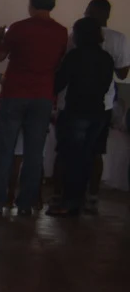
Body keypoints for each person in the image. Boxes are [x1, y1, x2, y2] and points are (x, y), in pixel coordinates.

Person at [0, 0, 59, 216]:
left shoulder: (19, 28)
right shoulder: (61, 32)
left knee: (5, 150)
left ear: (31, 3)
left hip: (15, 93)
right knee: (35, 153)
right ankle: (26, 204)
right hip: (43, 95)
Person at [48, 17, 117, 216]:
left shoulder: (75, 56)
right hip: (98, 112)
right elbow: (105, 86)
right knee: (87, 157)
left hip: (76, 111)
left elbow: (59, 83)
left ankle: (68, 202)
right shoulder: (106, 58)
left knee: (70, 158)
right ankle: (81, 200)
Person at [75, 0, 129, 212]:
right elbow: (123, 73)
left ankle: (70, 192)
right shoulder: (118, 39)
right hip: (104, 102)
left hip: (76, 100)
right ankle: (93, 194)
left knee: (73, 149)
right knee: (96, 150)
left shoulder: (77, 35)